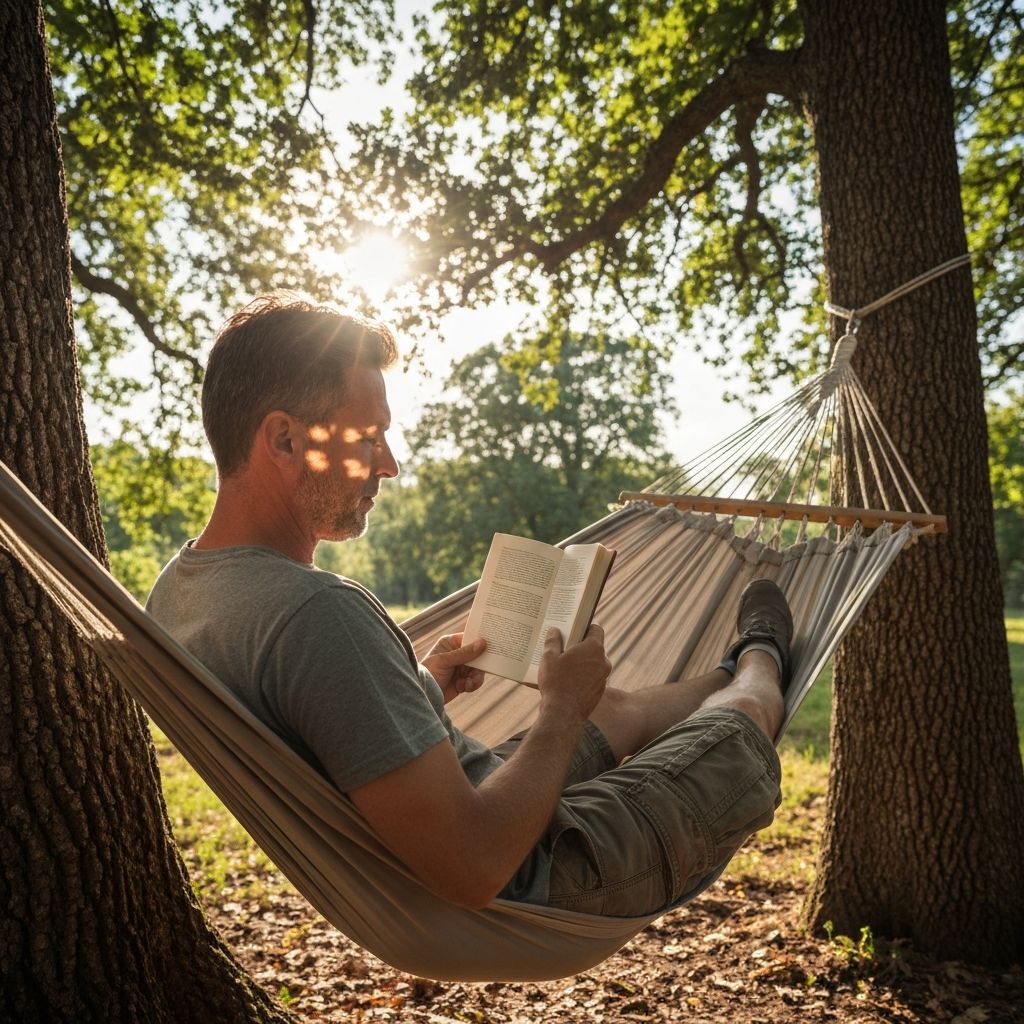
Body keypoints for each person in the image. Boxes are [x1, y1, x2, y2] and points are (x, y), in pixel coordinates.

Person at [148, 292, 791, 917]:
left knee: (615, 709)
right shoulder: (319, 615)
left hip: (463, 794)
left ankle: (724, 670)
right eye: (369, 438)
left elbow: (320, 723)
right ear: (286, 441)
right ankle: (762, 659)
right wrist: (560, 710)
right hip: (543, 868)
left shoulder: (181, 591)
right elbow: (474, 864)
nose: (391, 465)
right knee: (740, 724)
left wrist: (419, 687)